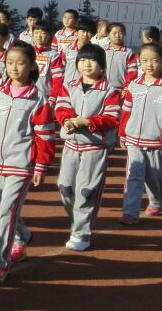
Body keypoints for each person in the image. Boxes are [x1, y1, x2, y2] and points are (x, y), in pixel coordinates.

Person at [0, 42, 57, 282]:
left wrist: (41, 165)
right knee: (1, 211)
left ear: (32, 65)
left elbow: (45, 136)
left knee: (6, 213)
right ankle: (22, 235)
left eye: (20, 63)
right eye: (9, 62)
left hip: (21, 165)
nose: (14, 67)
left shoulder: (38, 100)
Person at [54, 44, 121, 251]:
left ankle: (81, 234)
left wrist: (87, 122)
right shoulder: (69, 85)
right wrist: (67, 120)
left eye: (92, 60)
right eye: (82, 60)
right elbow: (61, 106)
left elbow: (112, 118)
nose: (86, 64)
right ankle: (78, 222)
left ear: (102, 66)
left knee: (86, 192)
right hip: (71, 146)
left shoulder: (110, 91)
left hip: (94, 148)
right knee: (65, 188)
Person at [119, 42, 162, 226]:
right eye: (145, 60)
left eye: (154, 60)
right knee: (134, 175)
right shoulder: (133, 85)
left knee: (155, 176)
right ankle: (130, 211)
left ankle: (156, 202)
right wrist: (123, 133)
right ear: (139, 61)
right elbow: (126, 111)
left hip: (156, 141)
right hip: (133, 139)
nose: (149, 64)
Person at [32, 22, 64, 106]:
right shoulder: (27, 52)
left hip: (46, 97)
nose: (39, 36)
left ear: (49, 35)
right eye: (36, 32)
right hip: (29, 94)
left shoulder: (54, 55)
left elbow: (58, 78)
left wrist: (53, 97)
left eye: (43, 33)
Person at [60, 18, 96, 85]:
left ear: (93, 34)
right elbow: (60, 69)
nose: (85, 35)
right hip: (66, 86)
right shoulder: (67, 49)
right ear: (76, 32)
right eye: (83, 31)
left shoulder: (95, 52)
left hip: (84, 87)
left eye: (89, 32)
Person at [104, 22, 138, 90]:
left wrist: (126, 88)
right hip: (102, 88)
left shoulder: (128, 52)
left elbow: (132, 72)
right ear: (108, 35)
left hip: (120, 89)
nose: (117, 36)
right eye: (114, 33)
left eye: (121, 33)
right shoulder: (102, 50)